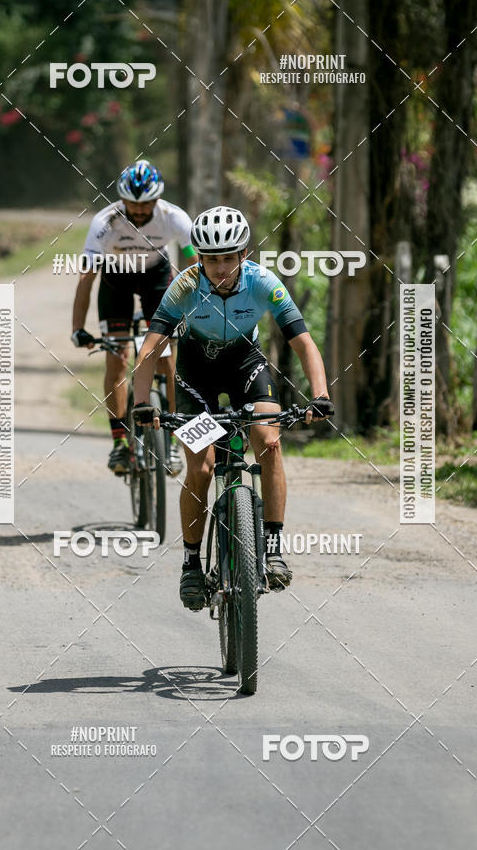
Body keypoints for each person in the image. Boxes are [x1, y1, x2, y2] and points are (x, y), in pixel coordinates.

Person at [132, 205, 333, 610]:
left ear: (244, 254)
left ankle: (272, 547)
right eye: (211, 259)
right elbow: (151, 349)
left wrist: (320, 394)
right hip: (194, 373)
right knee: (202, 466)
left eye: (228, 257)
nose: (220, 267)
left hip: (245, 363)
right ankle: (191, 563)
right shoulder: (183, 287)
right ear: (199, 258)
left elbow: (304, 342)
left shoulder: (264, 282)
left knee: (269, 442)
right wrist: (140, 404)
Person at [71, 159, 197, 475]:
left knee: (168, 360)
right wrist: (78, 328)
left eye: (146, 205)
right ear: (122, 200)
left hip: (156, 278)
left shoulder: (174, 217)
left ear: (158, 199)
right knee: (117, 358)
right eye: (133, 205)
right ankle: (120, 445)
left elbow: (197, 267)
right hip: (116, 280)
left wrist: (198, 312)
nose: (139, 211)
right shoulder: (105, 221)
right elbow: (86, 278)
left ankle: (169, 441)